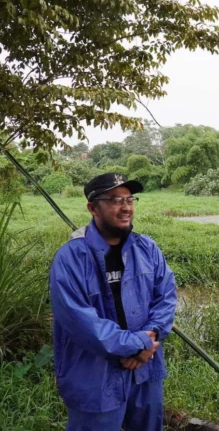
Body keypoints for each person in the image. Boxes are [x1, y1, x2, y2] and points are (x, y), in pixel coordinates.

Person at [49, 173, 177, 431]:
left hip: (145, 370)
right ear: (92, 207)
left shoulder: (147, 248)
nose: (126, 207)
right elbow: (81, 323)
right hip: (94, 375)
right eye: (115, 200)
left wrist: (150, 338)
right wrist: (139, 344)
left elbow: (166, 297)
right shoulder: (71, 258)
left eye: (130, 199)